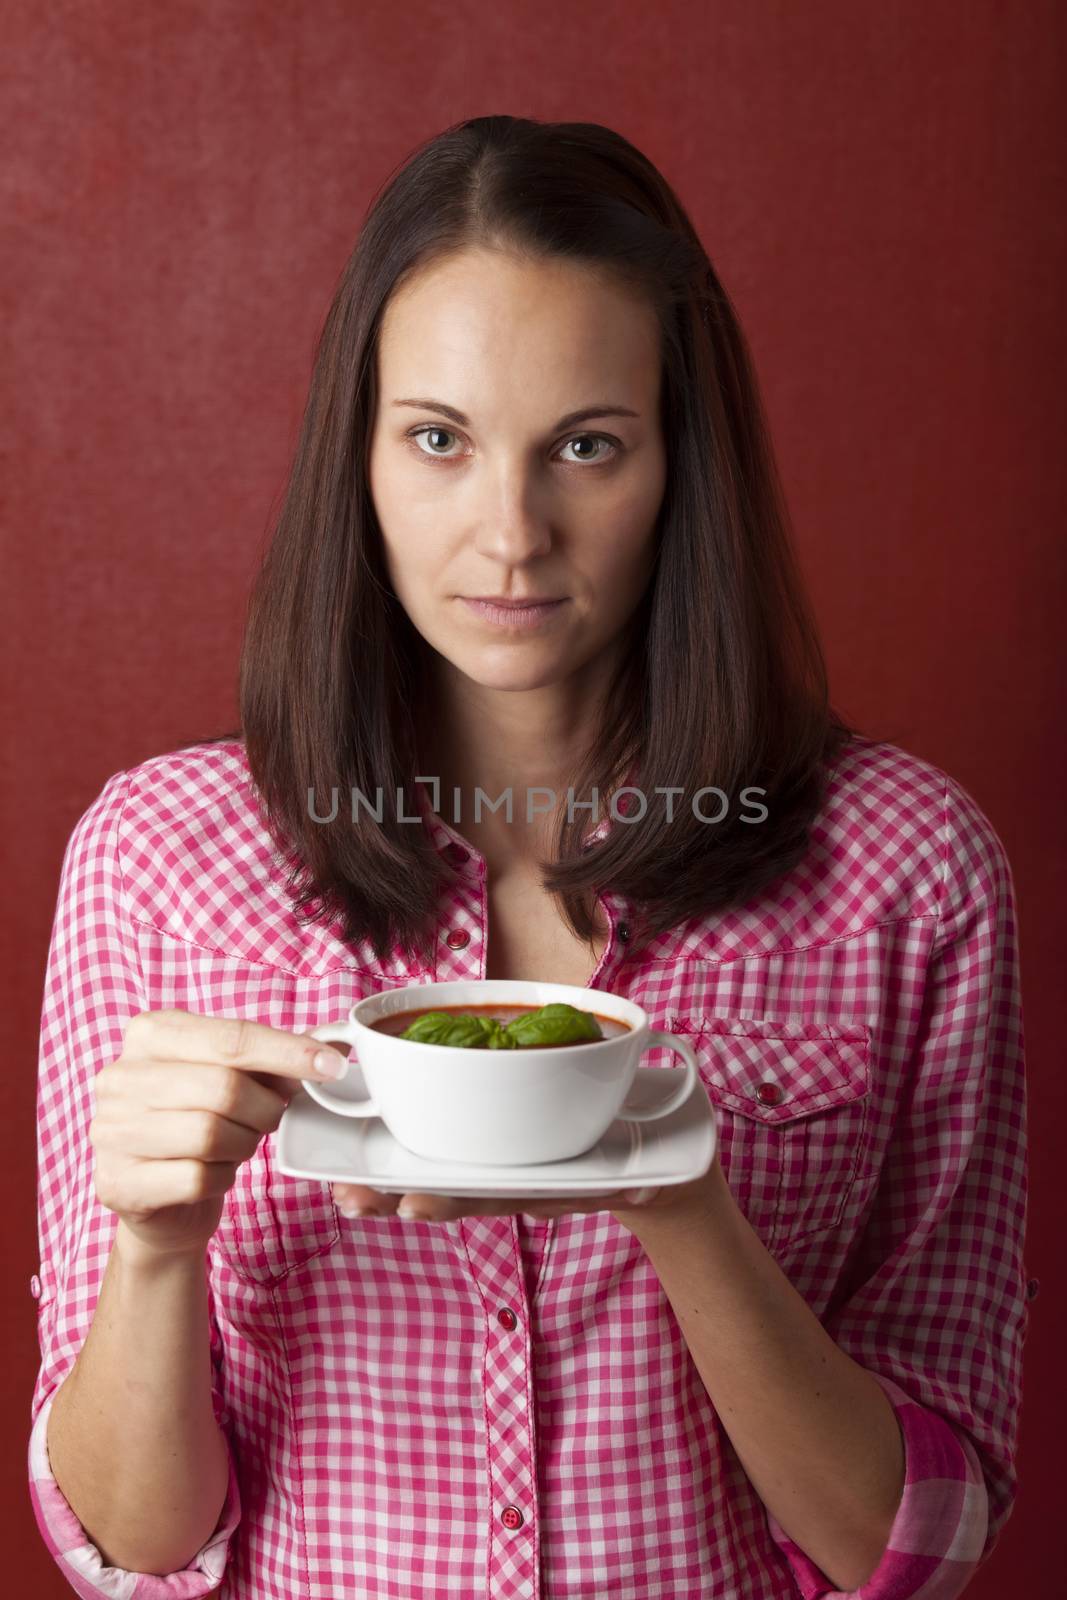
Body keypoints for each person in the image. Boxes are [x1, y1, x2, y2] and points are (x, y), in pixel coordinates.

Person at [28, 115, 1028, 1600]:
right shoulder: (156, 860)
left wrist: (676, 1194)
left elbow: (911, 1551)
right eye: (440, 439)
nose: (510, 532)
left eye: (586, 446)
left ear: (682, 463)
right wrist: (158, 1250)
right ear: (357, 456)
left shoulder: (910, 870)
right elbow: (131, 1548)